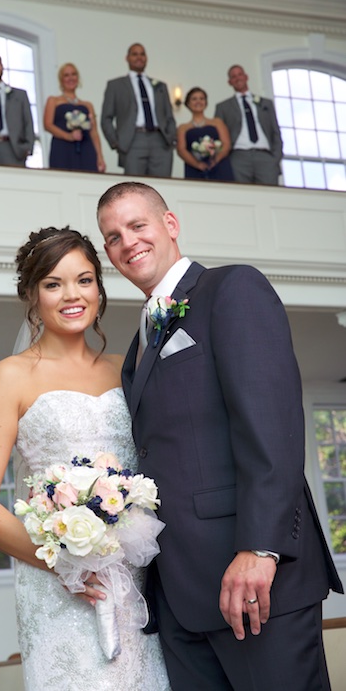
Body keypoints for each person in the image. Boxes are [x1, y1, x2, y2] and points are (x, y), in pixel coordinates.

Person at [97, 181, 343, 691]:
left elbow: (271, 429)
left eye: (137, 225)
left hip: (253, 578)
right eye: (113, 237)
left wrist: (260, 547)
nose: (128, 243)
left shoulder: (232, 289)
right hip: (179, 592)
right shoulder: (137, 341)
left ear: (170, 224)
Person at [0, 226, 169, 690]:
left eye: (85, 279)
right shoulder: (10, 377)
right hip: (60, 585)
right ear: (32, 295)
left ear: (99, 287)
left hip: (140, 582)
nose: (72, 295)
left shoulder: (127, 367)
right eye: (53, 284)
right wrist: (66, 565)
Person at [101, 43, 176, 177]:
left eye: (142, 54)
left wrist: (170, 137)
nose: (139, 57)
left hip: (160, 140)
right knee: (135, 188)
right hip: (133, 140)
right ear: (127, 58)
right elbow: (106, 118)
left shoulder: (160, 86)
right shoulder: (115, 85)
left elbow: (169, 115)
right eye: (134, 54)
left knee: (162, 188)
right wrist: (117, 142)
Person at [215, 65, 283, 185]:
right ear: (229, 82)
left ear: (246, 77)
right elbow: (218, 136)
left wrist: (275, 158)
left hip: (265, 156)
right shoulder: (223, 107)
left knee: (269, 195)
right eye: (233, 76)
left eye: (240, 74)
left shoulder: (266, 103)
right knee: (242, 195)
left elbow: (275, 132)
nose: (237, 78)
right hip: (238, 156)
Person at [44, 63, 106, 173]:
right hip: (62, 148)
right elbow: (48, 125)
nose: (70, 78)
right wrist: (68, 136)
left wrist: (100, 156)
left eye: (73, 74)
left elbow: (94, 132)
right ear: (61, 79)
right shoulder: (53, 100)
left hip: (85, 147)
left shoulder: (87, 105)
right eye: (66, 75)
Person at [177, 87, 234, 181]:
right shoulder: (183, 128)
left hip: (219, 165)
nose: (198, 101)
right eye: (194, 99)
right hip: (194, 168)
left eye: (201, 98)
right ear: (188, 103)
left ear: (206, 102)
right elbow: (181, 149)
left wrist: (216, 160)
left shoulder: (217, 122)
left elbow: (226, 144)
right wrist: (197, 164)